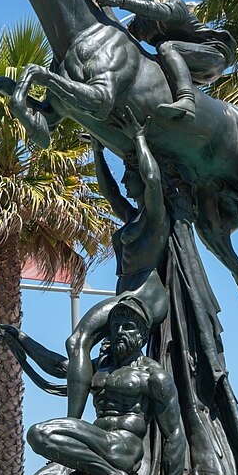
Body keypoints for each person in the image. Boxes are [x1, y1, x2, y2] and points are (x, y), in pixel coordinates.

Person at [0, 296, 186, 475]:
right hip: (94, 443)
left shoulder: (154, 375)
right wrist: (21, 339)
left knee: (40, 434)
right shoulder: (101, 365)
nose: (120, 331)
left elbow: (174, 435)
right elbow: (58, 367)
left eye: (128, 327)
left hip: (124, 447)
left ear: (143, 334)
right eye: (116, 326)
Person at [63, 105, 170, 420]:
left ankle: (72, 424)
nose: (124, 180)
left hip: (143, 297)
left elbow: (153, 181)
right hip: (125, 295)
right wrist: (97, 152)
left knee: (77, 340)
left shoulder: (156, 218)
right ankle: (74, 424)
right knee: (78, 342)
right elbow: (110, 192)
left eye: (129, 174)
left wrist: (140, 141)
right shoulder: (133, 217)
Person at [85, 0, 236, 121]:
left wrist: (121, 1)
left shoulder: (174, 4)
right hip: (178, 67)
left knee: (166, 47)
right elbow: (117, 41)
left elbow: (160, 12)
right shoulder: (138, 25)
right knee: (140, 67)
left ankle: (187, 101)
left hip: (211, 58)